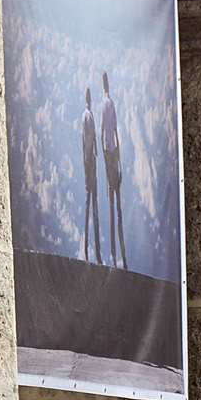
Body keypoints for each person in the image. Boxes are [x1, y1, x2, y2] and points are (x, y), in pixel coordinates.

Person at [101, 71, 127, 270]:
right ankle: (120, 255)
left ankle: (115, 256)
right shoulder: (111, 104)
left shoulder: (103, 105)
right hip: (113, 154)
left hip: (109, 154)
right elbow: (115, 131)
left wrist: (106, 156)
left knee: (112, 202)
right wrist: (119, 160)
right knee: (116, 204)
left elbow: (104, 133)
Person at [81, 87, 102, 264]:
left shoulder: (89, 115)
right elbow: (87, 141)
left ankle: (92, 249)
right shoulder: (88, 116)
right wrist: (88, 161)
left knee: (92, 200)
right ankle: (91, 248)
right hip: (90, 162)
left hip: (90, 161)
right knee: (91, 200)